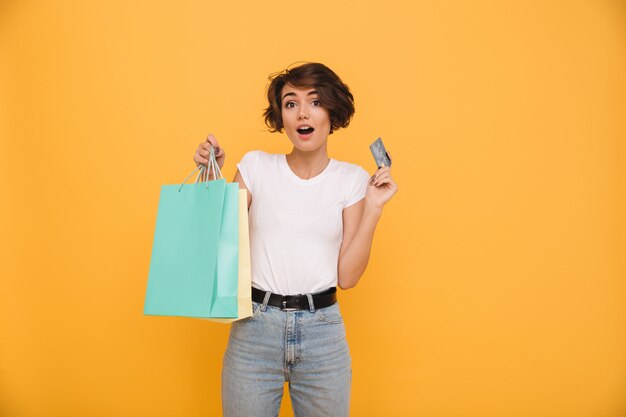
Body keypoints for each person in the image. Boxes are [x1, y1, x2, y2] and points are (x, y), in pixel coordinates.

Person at [193, 62, 397, 417]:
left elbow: (347, 278)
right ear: (281, 116)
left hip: (323, 334)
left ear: (332, 112)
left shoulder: (352, 180)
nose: (303, 113)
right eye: (291, 103)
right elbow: (216, 240)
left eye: (315, 101)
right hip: (254, 330)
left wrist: (374, 209)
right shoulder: (256, 167)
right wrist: (212, 175)